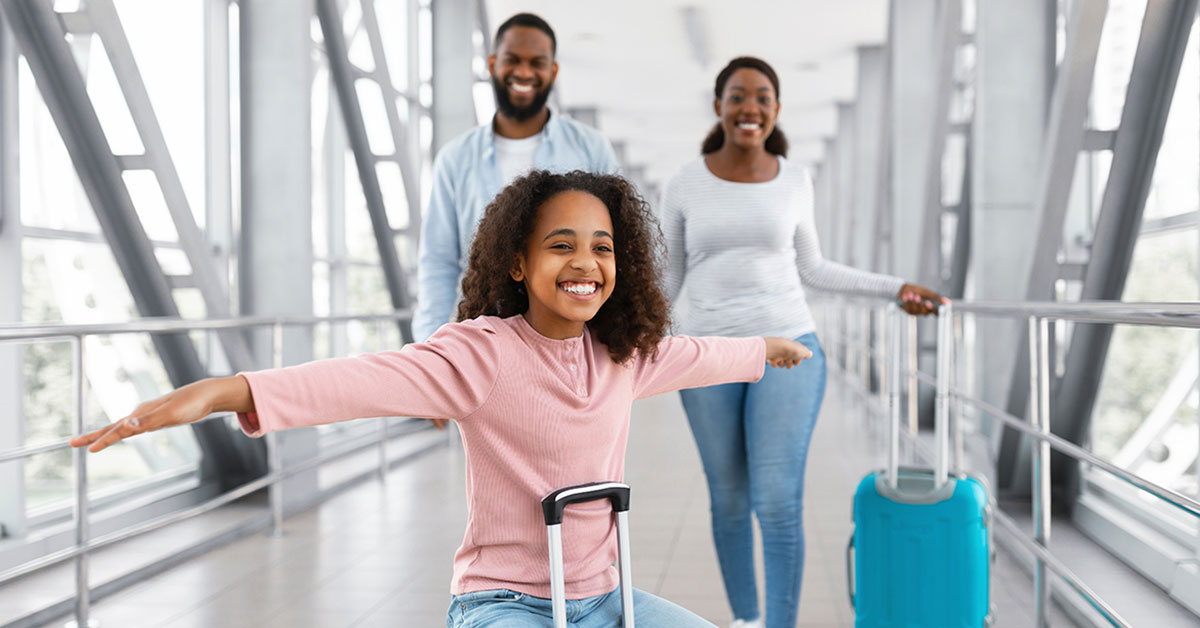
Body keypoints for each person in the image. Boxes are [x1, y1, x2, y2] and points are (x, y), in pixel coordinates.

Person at [72, 171, 813, 627]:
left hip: (602, 601)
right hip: (503, 605)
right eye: (561, 245)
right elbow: (359, 380)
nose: (585, 262)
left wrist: (765, 349)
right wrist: (222, 392)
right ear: (519, 262)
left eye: (603, 246)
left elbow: (692, 356)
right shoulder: (482, 353)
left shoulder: (619, 356)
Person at [658, 57, 945, 628]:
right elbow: (668, 281)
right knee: (730, 500)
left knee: (778, 499)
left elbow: (814, 268)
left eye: (763, 97)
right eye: (738, 96)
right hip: (709, 357)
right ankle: (745, 619)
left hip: (788, 347)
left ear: (775, 110)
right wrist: (621, 345)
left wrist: (895, 289)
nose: (750, 107)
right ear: (718, 106)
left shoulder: (794, 178)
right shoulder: (684, 183)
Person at [413, 12, 619, 343]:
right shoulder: (455, 158)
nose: (524, 72)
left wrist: (612, 337)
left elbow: (615, 245)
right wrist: (430, 345)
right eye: (513, 60)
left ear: (552, 71)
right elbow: (438, 262)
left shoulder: (590, 148)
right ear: (493, 64)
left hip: (570, 337)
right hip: (482, 339)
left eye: (536, 62)